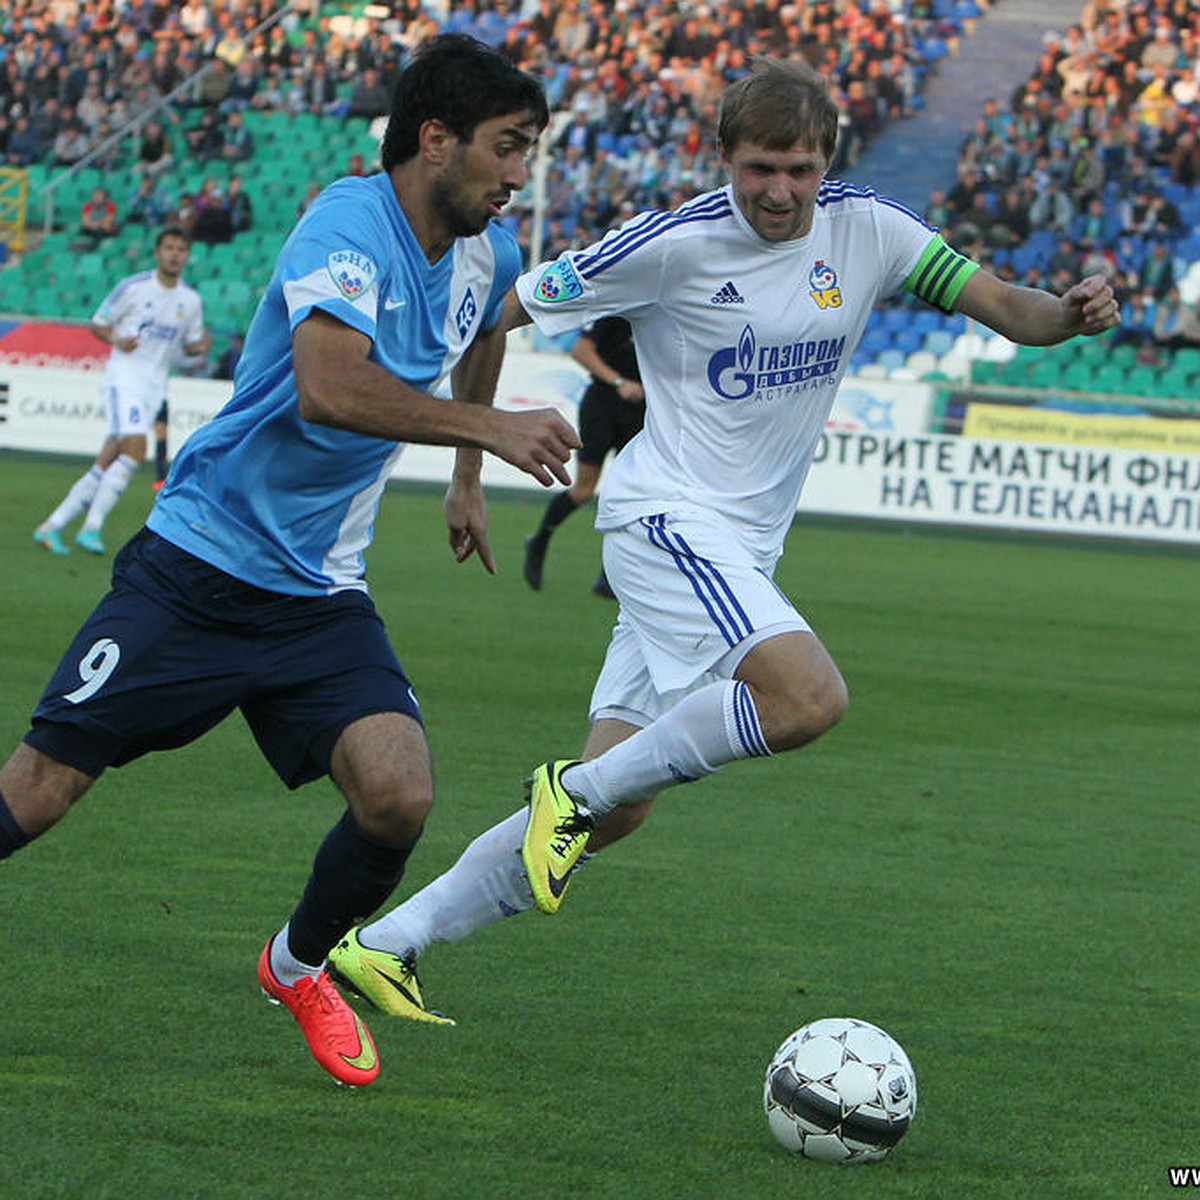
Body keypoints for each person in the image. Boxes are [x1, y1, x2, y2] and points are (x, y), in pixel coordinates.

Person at [323, 56, 1120, 1023]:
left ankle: (388, 944)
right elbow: (500, 310)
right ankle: (569, 791)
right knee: (805, 697)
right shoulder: (671, 245)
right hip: (664, 518)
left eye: (799, 169)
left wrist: (1069, 316)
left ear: (828, 160)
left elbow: (1008, 308)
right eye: (758, 169)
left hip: (741, 547)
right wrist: (466, 473)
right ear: (723, 160)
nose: (780, 191)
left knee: (623, 806)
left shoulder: (870, 226)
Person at [4, 34, 575, 1087]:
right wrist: (487, 433)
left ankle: (294, 963)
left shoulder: (481, 249)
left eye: (529, 149)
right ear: (436, 138)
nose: (518, 173)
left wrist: (462, 473)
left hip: (316, 595)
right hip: (197, 566)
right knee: (39, 791)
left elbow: (487, 323)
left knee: (399, 794)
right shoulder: (347, 222)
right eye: (507, 147)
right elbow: (328, 386)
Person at [33, 226, 210, 556]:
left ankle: (51, 526)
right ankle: (91, 528)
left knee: (106, 461)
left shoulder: (191, 301)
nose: (174, 254)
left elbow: (186, 352)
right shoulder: (133, 287)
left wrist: (198, 348)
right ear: (158, 252)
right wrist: (117, 340)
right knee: (135, 451)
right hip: (124, 378)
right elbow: (98, 323)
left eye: (180, 249)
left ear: (187, 256)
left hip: (155, 387)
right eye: (169, 247)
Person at [523, 316, 644, 599]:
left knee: (632, 494)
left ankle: (609, 575)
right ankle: (540, 540)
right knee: (584, 489)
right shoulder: (617, 308)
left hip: (641, 409)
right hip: (603, 404)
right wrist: (618, 381)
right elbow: (581, 350)